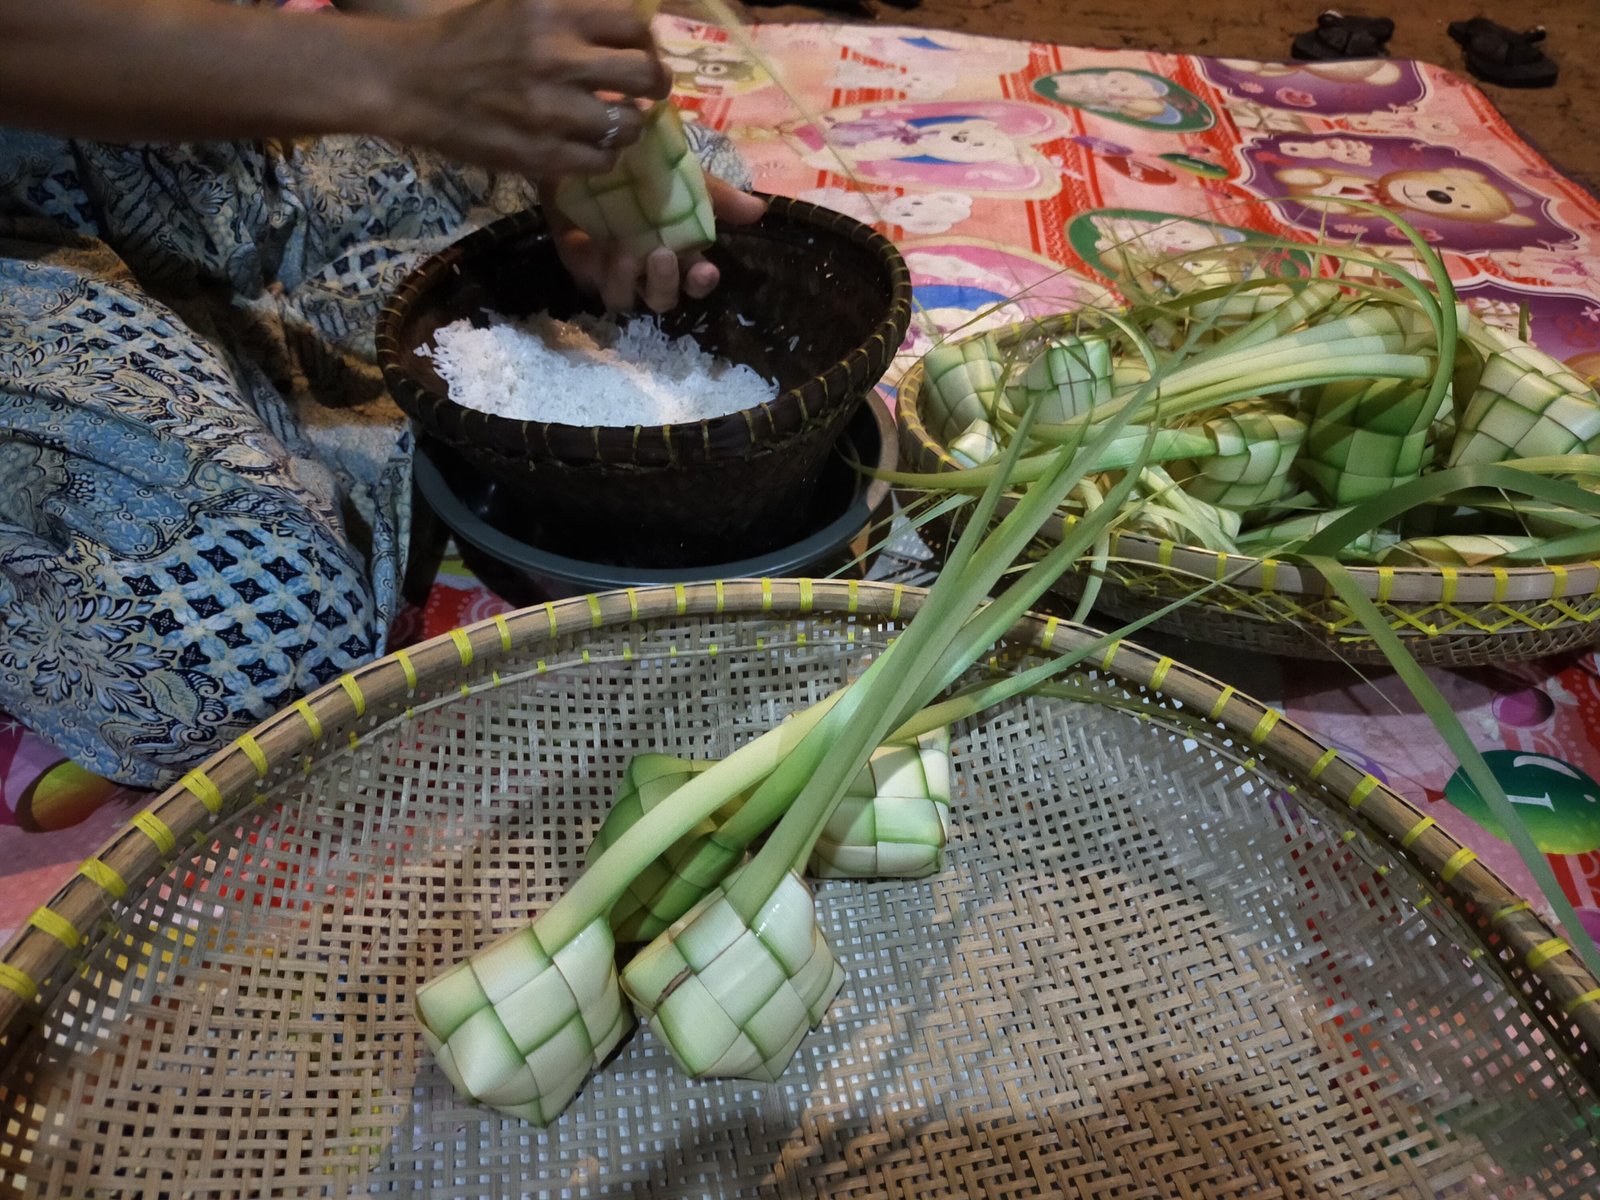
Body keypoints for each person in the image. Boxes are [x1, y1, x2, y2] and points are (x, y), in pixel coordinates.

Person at [0, 0, 767, 788]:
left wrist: (533, 104)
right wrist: (393, 73)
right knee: (255, 639)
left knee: (695, 204)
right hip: (33, 166)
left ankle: (305, 423)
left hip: (220, 112)